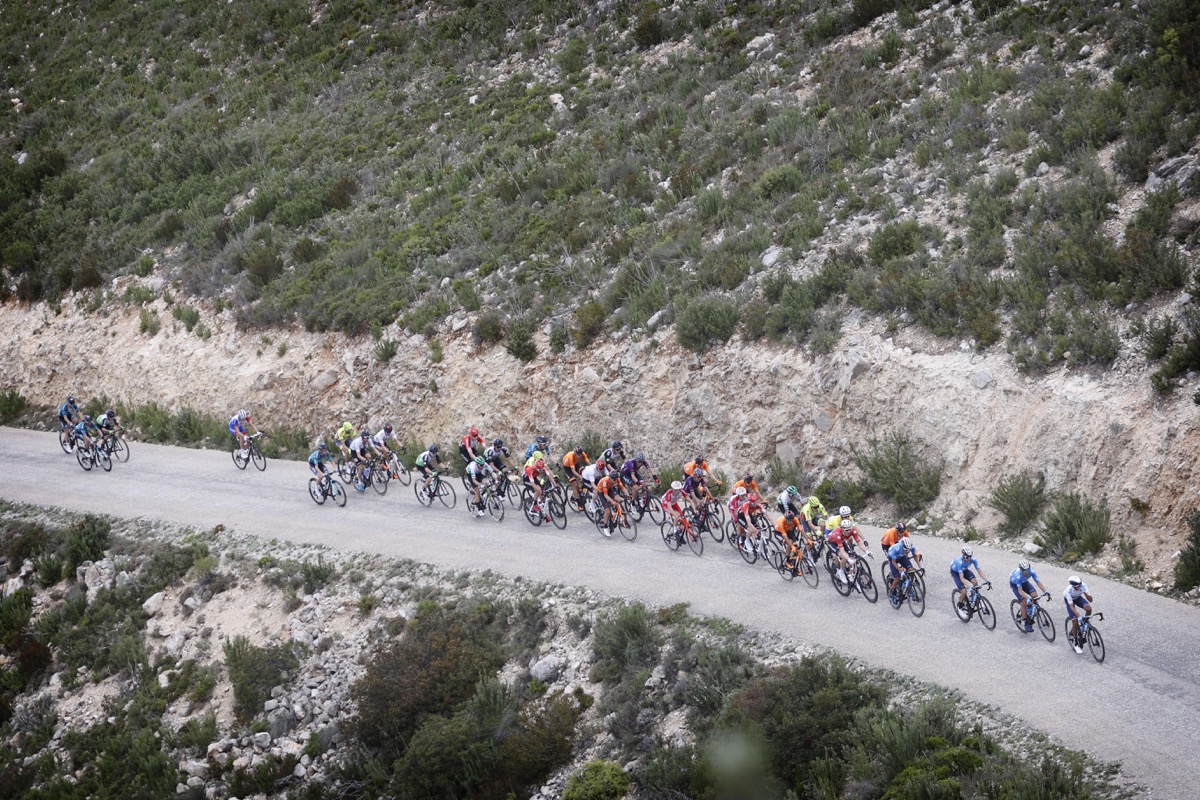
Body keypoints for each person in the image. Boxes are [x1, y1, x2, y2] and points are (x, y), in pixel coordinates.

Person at [1009, 559, 1049, 632]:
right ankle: (1026, 622)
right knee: (1024, 602)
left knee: (1035, 596)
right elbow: (1020, 590)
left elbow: (1038, 582)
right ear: (1021, 570)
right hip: (1016, 585)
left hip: (1024, 582)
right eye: (1025, 571)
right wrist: (1027, 598)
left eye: (1028, 570)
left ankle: (1030, 610)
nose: (1027, 572)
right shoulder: (1017, 575)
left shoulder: (1031, 571)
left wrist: (1045, 591)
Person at [827, 517, 870, 586]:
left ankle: (850, 573)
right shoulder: (838, 534)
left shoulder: (852, 531)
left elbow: (859, 542)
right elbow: (842, 550)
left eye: (849, 529)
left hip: (842, 540)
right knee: (844, 556)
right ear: (842, 529)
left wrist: (866, 551)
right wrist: (848, 559)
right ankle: (840, 571)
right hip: (832, 542)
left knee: (851, 555)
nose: (848, 531)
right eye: (846, 530)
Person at [1063, 576, 1095, 653]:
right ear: (1074, 586)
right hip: (1070, 601)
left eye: (1080, 585)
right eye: (1078, 586)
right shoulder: (1068, 591)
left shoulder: (1083, 585)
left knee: (1089, 609)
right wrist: (1078, 615)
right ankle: (1076, 643)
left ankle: (1084, 623)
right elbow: (1071, 606)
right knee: (1075, 620)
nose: (1080, 586)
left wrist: (1085, 592)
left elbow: (1090, 600)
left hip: (1078, 598)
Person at [885, 535, 919, 601]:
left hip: (902, 557)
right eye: (906, 550)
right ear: (902, 546)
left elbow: (914, 555)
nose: (907, 552)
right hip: (893, 558)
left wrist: (920, 567)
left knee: (911, 570)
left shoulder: (910, 546)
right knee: (898, 578)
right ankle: (892, 589)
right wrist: (900, 570)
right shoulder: (896, 548)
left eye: (908, 551)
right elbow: (894, 562)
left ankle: (910, 585)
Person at [594, 467, 625, 536]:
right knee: (607, 510)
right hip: (601, 492)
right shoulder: (605, 481)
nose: (615, 481)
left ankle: (616, 514)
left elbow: (622, 488)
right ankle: (605, 526)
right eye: (614, 480)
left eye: (616, 479)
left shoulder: (617, 479)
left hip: (609, 488)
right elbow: (605, 495)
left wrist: (628, 495)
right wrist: (612, 501)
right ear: (610, 478)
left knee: (619, 499)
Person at [347, 427, 377, 491]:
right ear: (363, 437)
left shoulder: (368, 439)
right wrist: (365, 461)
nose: (367, 439)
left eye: (368, 437)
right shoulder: (358, 442)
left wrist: (380, 454)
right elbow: (358, 455)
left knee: (369, 457)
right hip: (354, 451)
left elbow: (374, 448)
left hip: (362, 448)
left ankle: (367, 472)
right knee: (361, 468)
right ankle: (359, 481)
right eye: (366, 438)